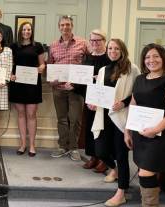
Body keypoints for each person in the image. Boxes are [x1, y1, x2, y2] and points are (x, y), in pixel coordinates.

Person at [125, 43, 165, 206]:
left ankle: (150, 204)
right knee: (143, 170)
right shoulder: (140, 79)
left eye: (156, 56)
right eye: (147, 57)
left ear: (164, 58)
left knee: (145, 173)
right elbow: (133, 104)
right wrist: (127, 130)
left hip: (160, 134)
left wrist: (156, 129)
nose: (151, 60)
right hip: (140, 133)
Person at [90, 38, 140, 206]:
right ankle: (115, 169)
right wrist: (93, 102)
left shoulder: (132, 69)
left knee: (121, 154)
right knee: (101, 151)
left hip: (121, 116)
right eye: (110, 48)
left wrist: (124, 103)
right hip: (104, 115)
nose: (112, 51)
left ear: (122, 50)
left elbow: (137, 93)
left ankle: (121, 192)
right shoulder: (104, 69)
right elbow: (98, 92)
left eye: (116, 48)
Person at [48, 15, 87, 161]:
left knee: (75, 119)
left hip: (75, 88)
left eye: (68, 24)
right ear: (59, 27)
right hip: (58, 89)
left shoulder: (83, 43)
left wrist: (79, 81)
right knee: (62, 119)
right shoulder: (53, 45)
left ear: (72, 26)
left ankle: (74, 147)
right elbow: (49, 65)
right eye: (62, 25)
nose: (65, 27)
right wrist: (52, 80)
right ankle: (63, 146)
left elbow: (88, 64)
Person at [9, 22, 45, 157]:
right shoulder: (14, 46)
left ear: (32, 31)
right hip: (18, 84)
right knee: (21, 115)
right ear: (20, 31)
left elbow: (42, 65)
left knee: (31, 115)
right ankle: (23, 144)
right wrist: (10, 75)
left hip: (32, 84)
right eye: (24, 29)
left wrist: (41, 68)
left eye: (29, 29)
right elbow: (9, 64)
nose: (26, 31)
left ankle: (32, 145)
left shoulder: (38, 46)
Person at [81, 29, 110, 172]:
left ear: (104, 41)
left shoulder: (109, 57)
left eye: (98, 40)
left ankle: (104, 159)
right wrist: (72, 84)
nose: (95, 43)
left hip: (104, 98)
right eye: (92, 40)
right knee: (90, 128)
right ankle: (93, 156)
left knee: (102, 129)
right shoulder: (87, 57)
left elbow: (113, 77)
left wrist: (98, 78)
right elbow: (82, 77)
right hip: (89, 98)